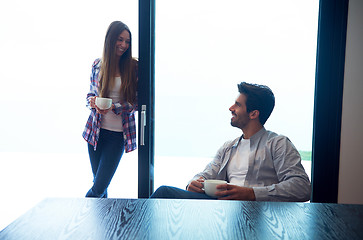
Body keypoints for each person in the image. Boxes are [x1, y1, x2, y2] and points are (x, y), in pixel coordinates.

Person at [151, 82, 311, 202]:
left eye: (238, 104)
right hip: (222, 207)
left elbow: (301, 187)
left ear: (253, 113)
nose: (230, 108)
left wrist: (251, 193)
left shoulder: (278, 143)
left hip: (260, 211)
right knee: (164, 194)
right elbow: (207, 174)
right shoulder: (229, 147)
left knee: (164, 192)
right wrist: (193, 183)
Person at [82, 21, 138, 198]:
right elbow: (90, 93)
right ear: (110, 39)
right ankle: (102, 226)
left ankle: (78, 219)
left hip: (117, 135)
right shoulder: (97, 65)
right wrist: (92, 101)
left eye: (127, 41)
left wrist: (115, 107)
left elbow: (136, 103)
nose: (123, 45)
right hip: (95, 132)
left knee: (98, 188)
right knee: (100, 186)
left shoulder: (134, 67)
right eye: (120, 40)